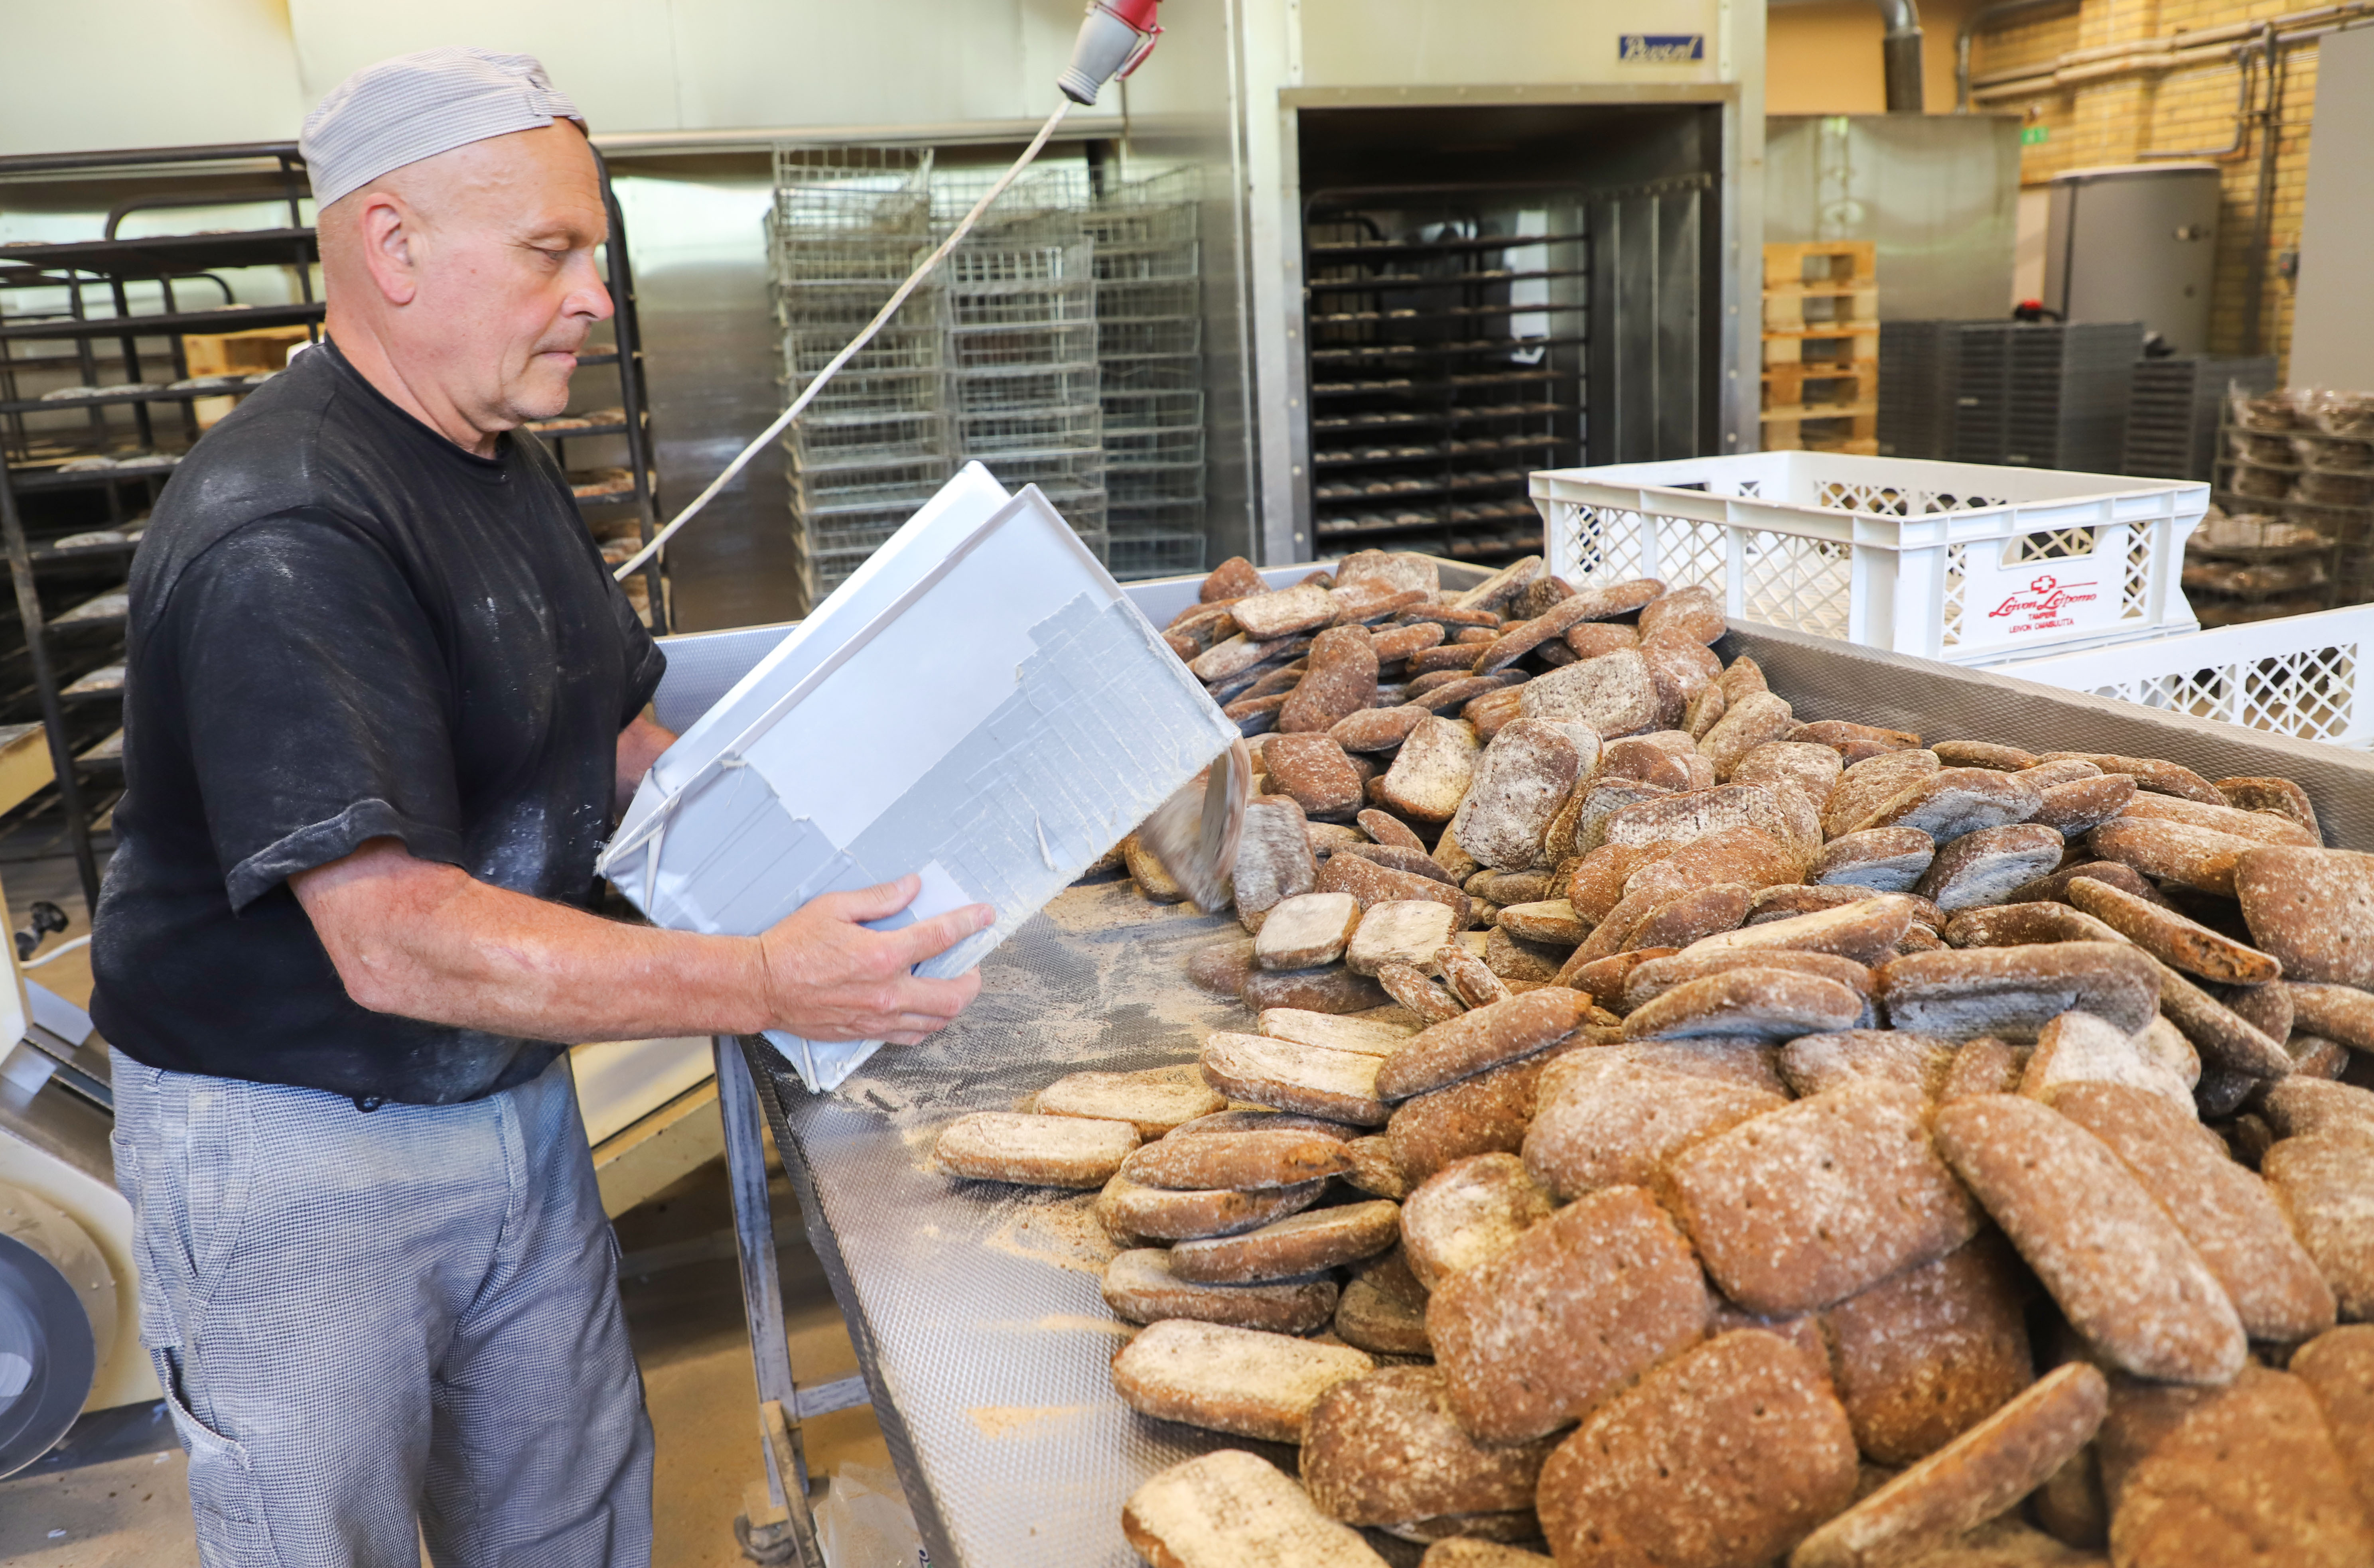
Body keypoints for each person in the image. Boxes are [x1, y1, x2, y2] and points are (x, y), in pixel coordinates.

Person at [89, 47, 992, 1568]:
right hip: (299, 1153)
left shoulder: (489, 455)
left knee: (564, 1515)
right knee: (330, 1542)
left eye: (597, 250)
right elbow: (396, 940)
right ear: (393, 246)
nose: (598, 296)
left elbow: (612, 733)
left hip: (506, 1099)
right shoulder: (288, 524)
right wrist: (764, 975)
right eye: (552, 251)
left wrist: (838, 830)